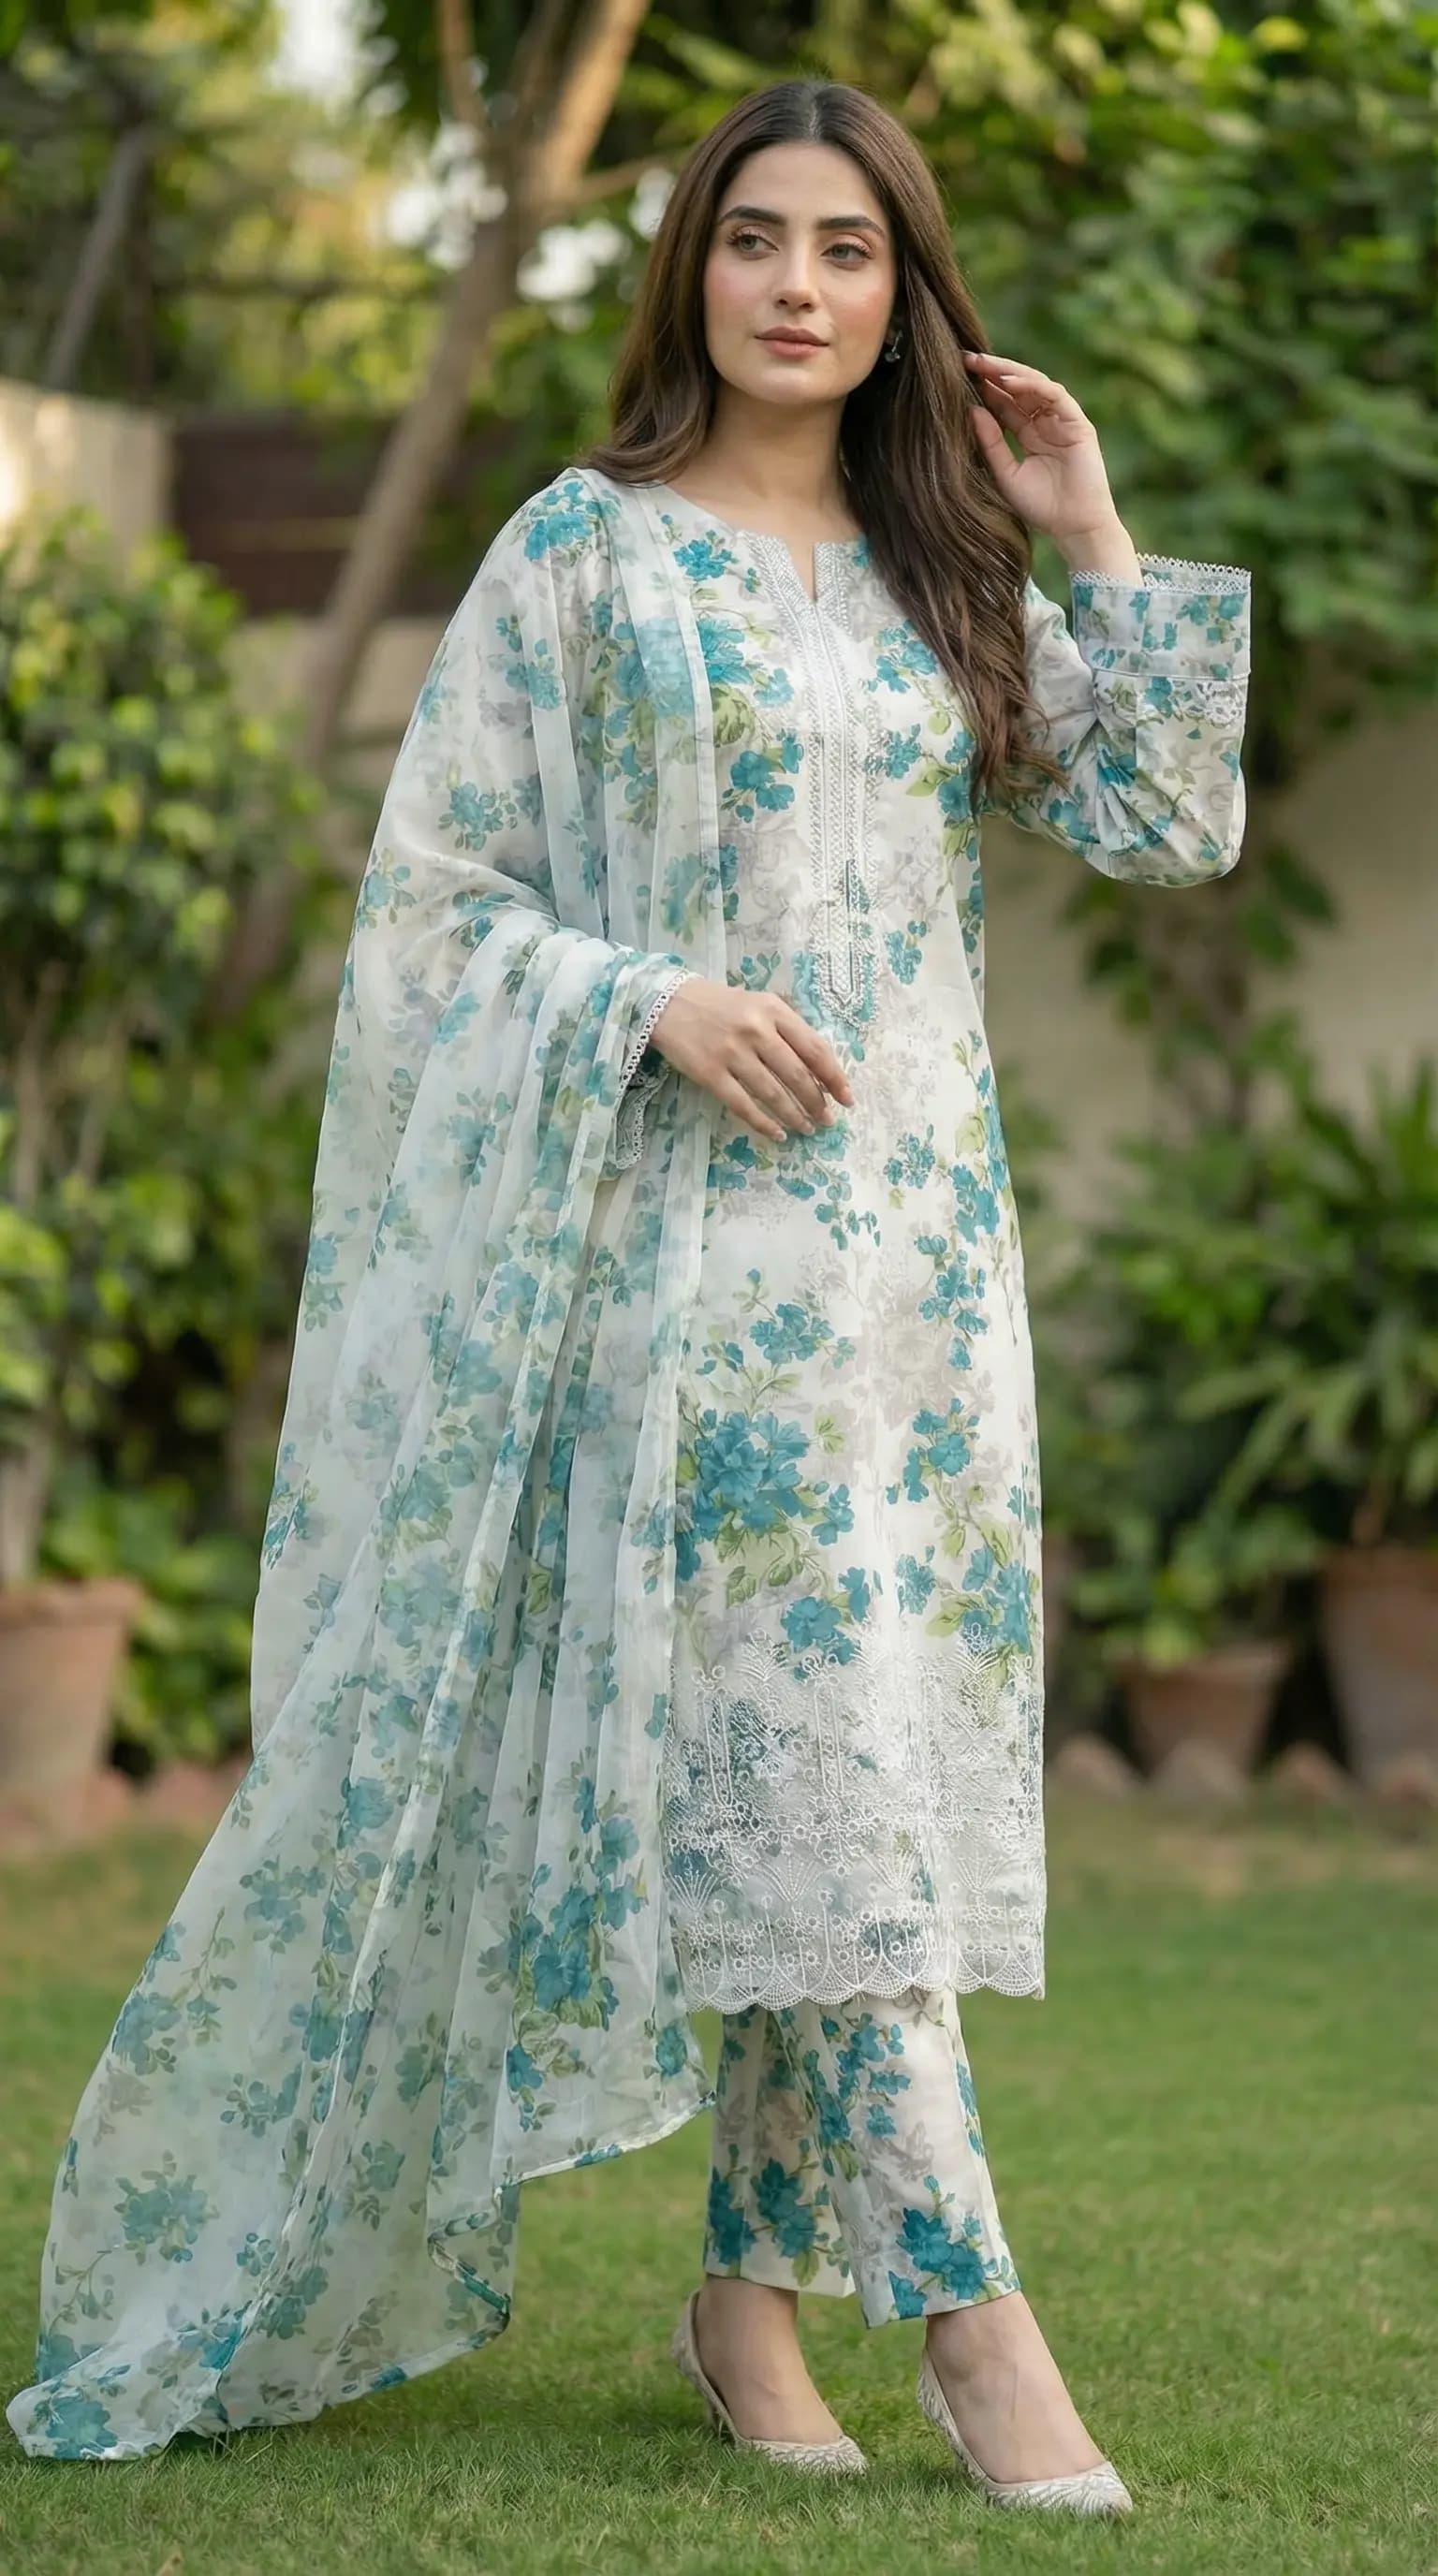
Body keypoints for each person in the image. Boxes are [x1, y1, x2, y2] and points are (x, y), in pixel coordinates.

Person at [7, 79, 1249, 2514]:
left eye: (852, 251)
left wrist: (1088, 528)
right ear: (692, 266)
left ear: (905, 299)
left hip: (914, 1289)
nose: (801, 285)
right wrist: (645, 1000)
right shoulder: (582, 556)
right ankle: (979, 2326)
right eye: (759, 238)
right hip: (682, 1271)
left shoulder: (941, 573)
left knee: (838, 1789)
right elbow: (433, 907)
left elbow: (1166, 821)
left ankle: (746, 2316)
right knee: (822, 1773)